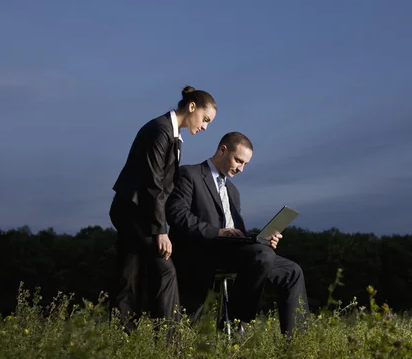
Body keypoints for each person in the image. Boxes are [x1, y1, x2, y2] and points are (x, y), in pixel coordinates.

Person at [165, 132, 310, 336]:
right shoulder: (189, 174)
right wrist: (217, 232)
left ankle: (298, 343)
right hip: (202, 252)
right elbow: (176, 216)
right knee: (263, 255)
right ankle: (234, 321)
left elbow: (236, 231)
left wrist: (261, 238)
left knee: (292, 271)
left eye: (245, 164)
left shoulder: (233, 191)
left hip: (233, 253)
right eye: (238, 161)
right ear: (222, 150)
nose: (241, 168)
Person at [109, 85, 217, 333]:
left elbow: (165, 187)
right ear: (192, 107)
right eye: (205, 119)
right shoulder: (159, 130)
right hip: (134, 212)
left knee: (129, 274)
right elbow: (153, 185)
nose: (205, 127)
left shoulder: (173, 135)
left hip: (139, 212)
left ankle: (124, 338)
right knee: (164, 268)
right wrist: (161, 230)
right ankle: (171, 342)